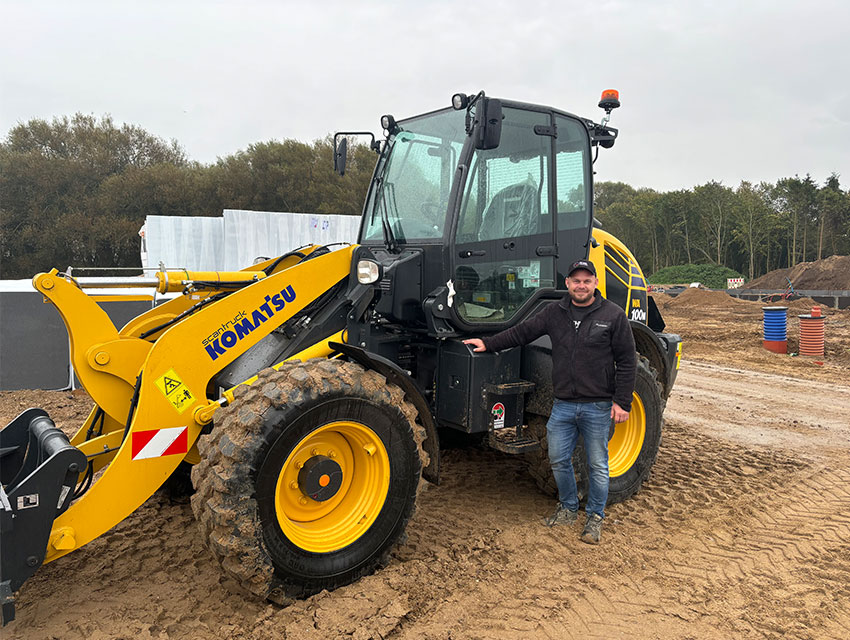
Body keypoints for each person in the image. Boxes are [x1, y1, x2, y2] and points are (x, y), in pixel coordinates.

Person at [463, 259, 636, 544]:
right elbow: (521, 332)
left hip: (598, 405)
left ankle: (594, 517)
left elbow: (628, 362)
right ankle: (568, 507)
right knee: (557, 460)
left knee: (598, 465)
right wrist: (488, 343)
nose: (581, 285)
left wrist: (622, 402)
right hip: (564, 404)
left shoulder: (613, 316)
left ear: (595, 283)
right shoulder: (553, 313)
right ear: (567, 284)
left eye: (587, 280)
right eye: (576, 280)